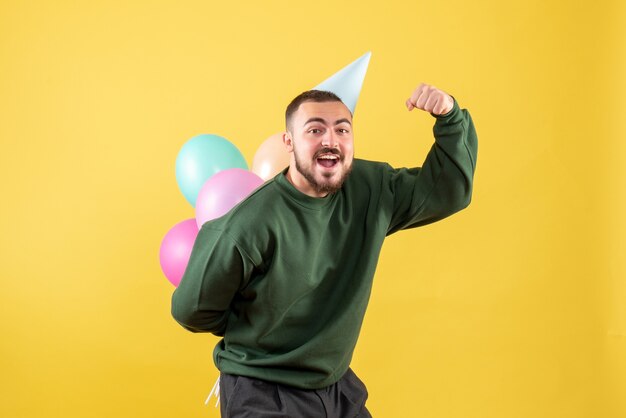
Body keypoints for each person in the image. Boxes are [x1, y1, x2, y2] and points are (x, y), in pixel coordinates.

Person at [172, 83, 478, 417]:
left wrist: (449, 117)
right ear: (288, 143)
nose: (330, 140)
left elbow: (448, 191)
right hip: (263, 389)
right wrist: (257, 329)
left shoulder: (370, 188)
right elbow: (191, 309)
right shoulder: (249, 224)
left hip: (335, 384)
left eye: (341, 130)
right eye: (315, 129)